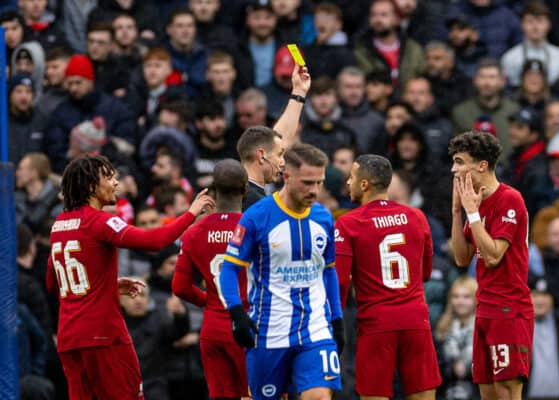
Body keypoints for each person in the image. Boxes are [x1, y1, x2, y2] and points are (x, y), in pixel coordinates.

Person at [46, 155, 214, 399]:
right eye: (110, 176)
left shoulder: (58, 225)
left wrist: (104, 285)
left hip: (69, 339)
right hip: (103, 336)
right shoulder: (100, 221)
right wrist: (191, 214)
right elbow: (154, 241)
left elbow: (54, 283)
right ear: (92, 186)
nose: (117, 182)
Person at [219, 143, 345, 400]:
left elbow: (329, 271)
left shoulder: (323, 218)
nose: (314, 190)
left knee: (319, 396)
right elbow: (229, 269)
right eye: (307, 183)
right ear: (286, 176)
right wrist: (236, 313)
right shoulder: (256, 216)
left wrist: (338, 319)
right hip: (268, 332)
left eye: (319, 183)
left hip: (315, 329)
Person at [334, 154, 441, 400]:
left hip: (376, 324)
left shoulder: (348, 223)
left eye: (351, 177)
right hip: (416, 321)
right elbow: (425, 273)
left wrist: (335, 322)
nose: (348, 183)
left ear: (364, 185)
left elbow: (340, 281)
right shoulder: (417, 217)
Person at [449, 130, 534, 400]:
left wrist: (472, 213)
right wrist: (457, 211)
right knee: (488, 393)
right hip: (484, 307)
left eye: (460, 161)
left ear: (482, 165)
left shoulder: (510, 199)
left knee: (507, 391)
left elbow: (494, 255)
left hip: (509, 308)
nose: (454, 169)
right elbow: (462, 259)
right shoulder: (476, 203)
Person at [172, 159, 250, 400]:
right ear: (245, 189)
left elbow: (180, 287)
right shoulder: (255, 228)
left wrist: (210, 302)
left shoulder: (194, 232)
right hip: (250, 327)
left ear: (213, 190)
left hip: (213, 328)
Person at [237, 63, 310, 211]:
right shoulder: (251, 201)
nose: (283, 163)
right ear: (261, 156)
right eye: (280, 155)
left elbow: (279, 139)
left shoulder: (243, 189)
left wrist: (299, 92)